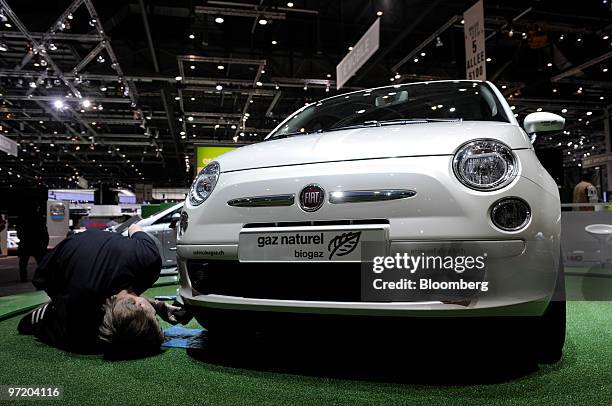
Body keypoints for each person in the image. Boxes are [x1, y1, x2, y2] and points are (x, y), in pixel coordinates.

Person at [17, 224, 188, 359]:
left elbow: (134, 228)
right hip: (54, 270)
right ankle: (50, 313)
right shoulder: (82, 300)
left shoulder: (148, 258)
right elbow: (122, 297)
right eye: (158, 319)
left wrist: (158, 306)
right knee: (82, 341)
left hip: (84, 248)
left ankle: (57, 309)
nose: (158, 317)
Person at [15, 201, 49, 282]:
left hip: (26, 242)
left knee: (23, 263)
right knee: (41, 262)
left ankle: (23, 278)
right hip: (37, 243)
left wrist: (21, 239)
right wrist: (45, 243)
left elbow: (19, 230)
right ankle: (42, 277)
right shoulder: (39, 218)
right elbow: (44, 231)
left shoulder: (22, 217)